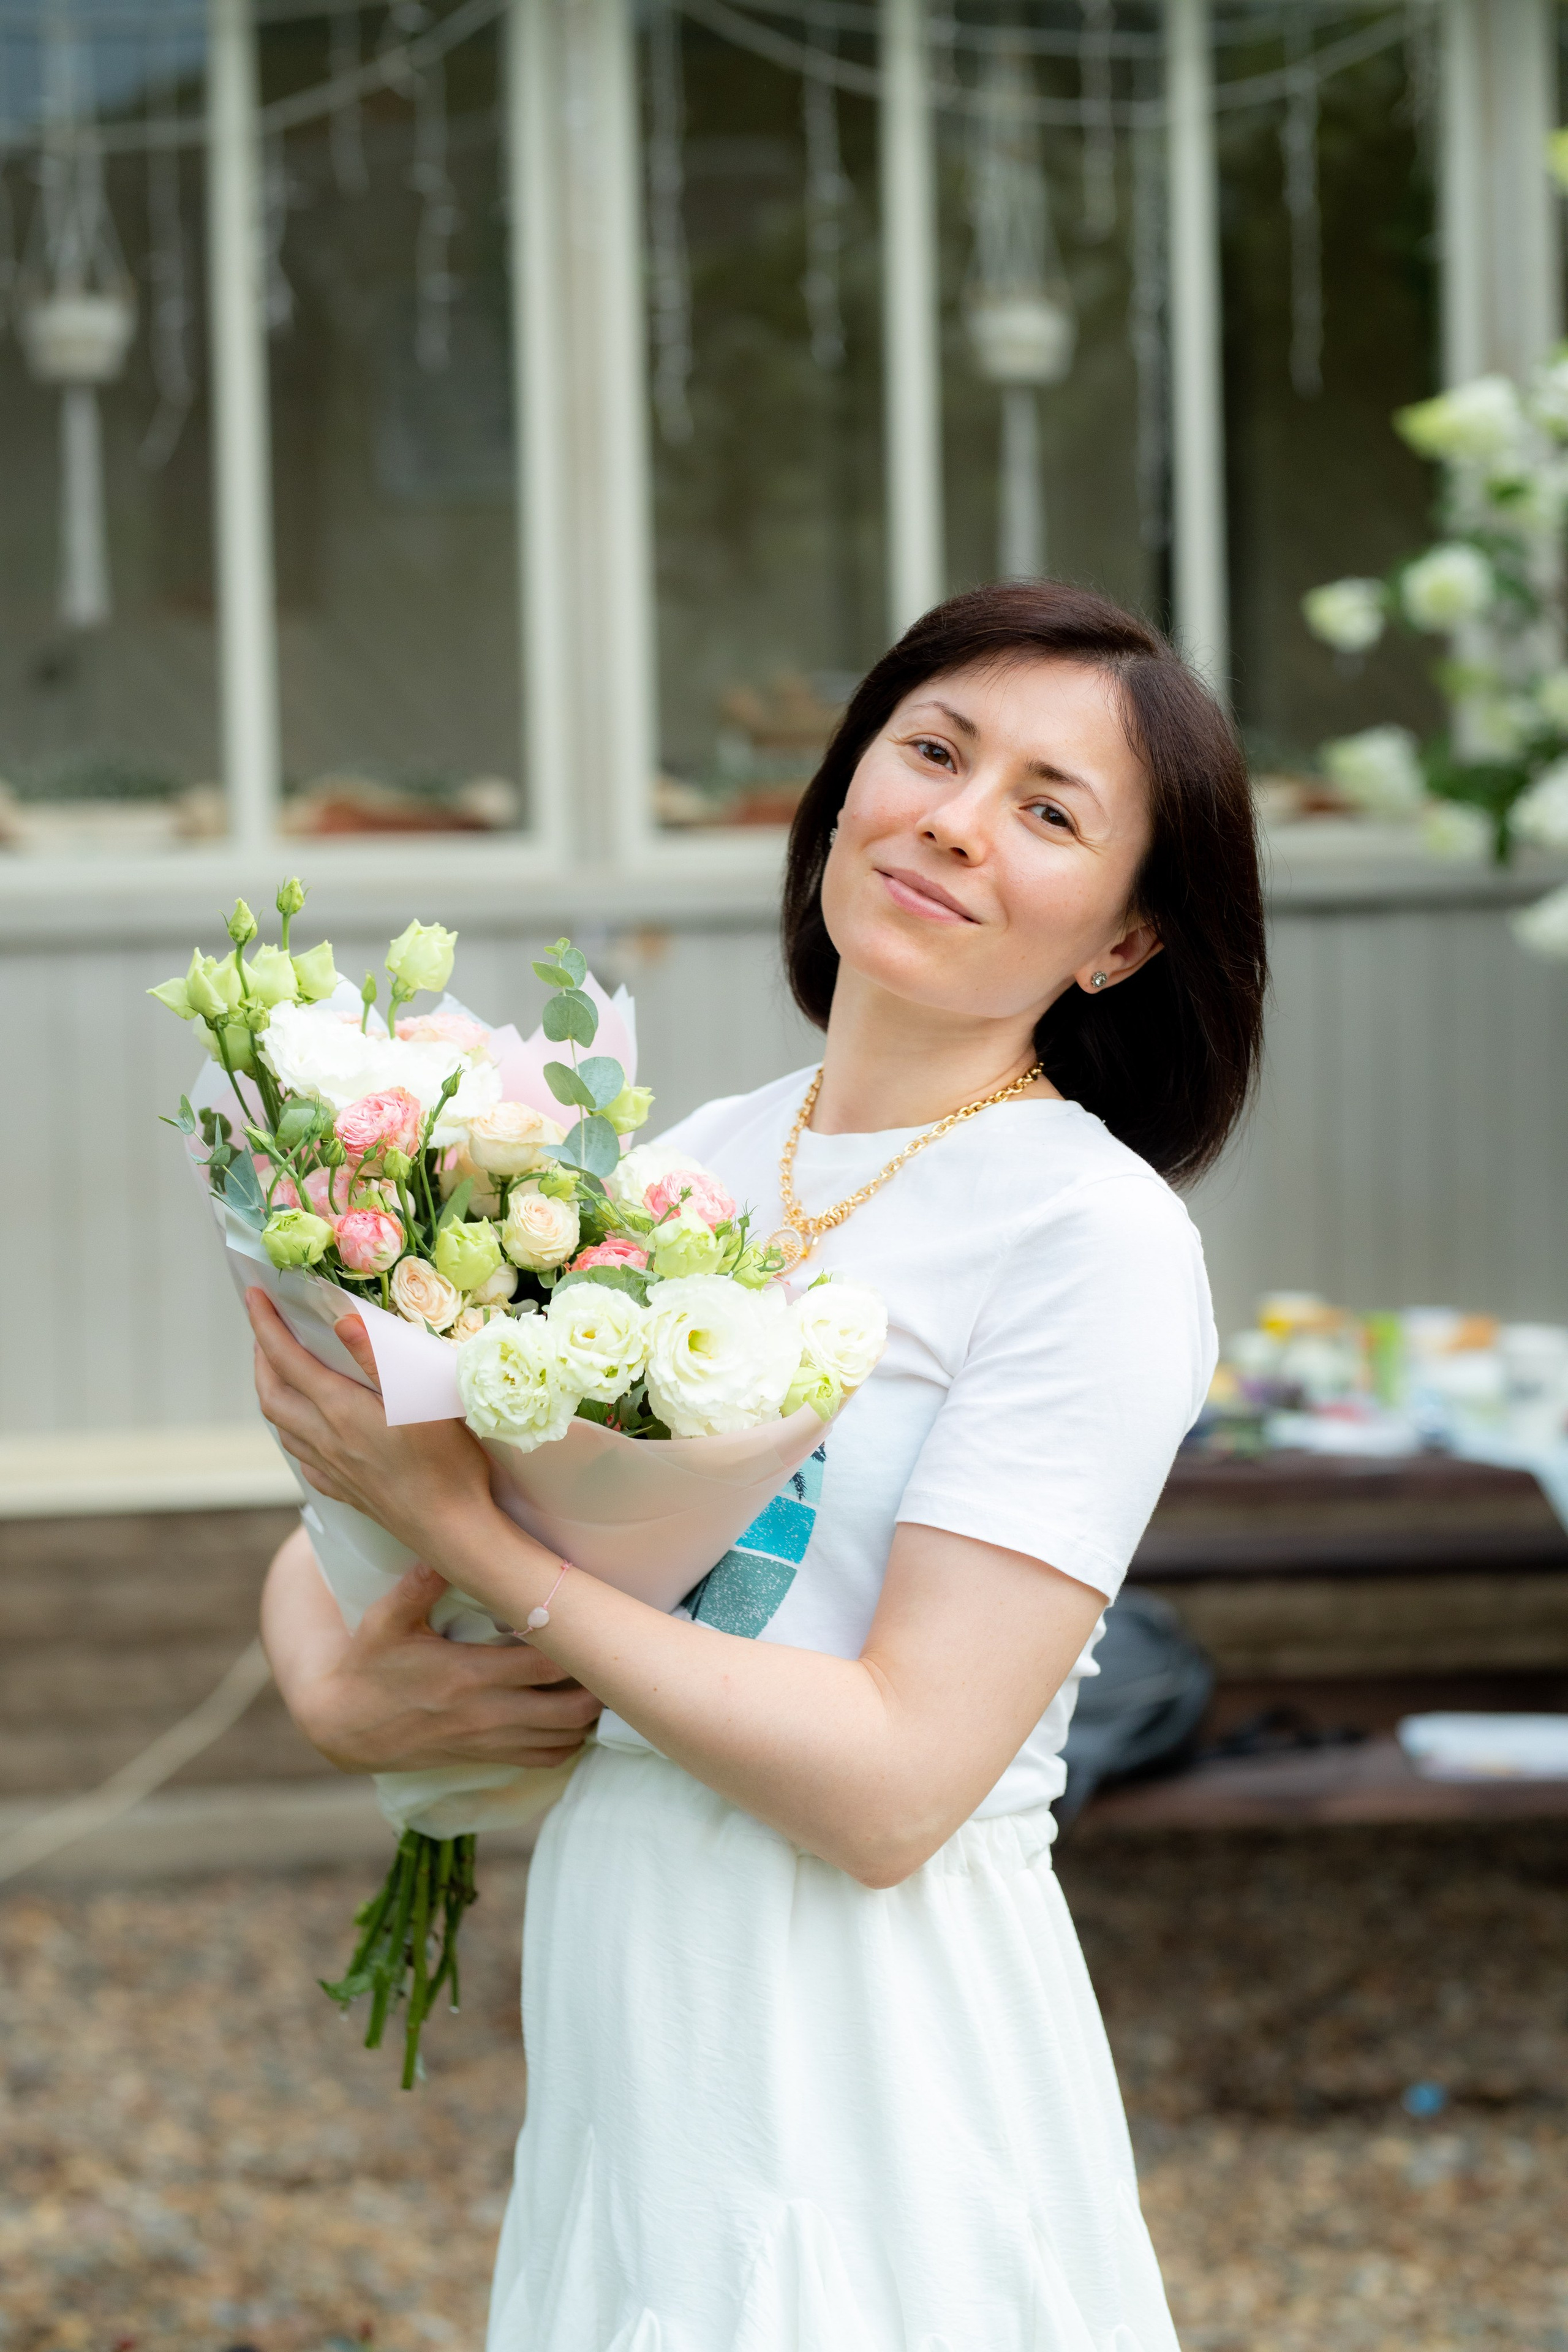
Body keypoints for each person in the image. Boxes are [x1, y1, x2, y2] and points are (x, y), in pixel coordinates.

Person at [254, 579, 1267, 2350]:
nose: (956, 821)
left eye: (1049, 812)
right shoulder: (686, 1168)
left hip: (862, 2022)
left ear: (1122, 939)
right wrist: (337, 1689)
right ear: (848, 783)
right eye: (933, 752)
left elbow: (895, 1788)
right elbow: (376, 1510)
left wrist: (477, 1554)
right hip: (630, 1975)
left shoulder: (1086, 1237)